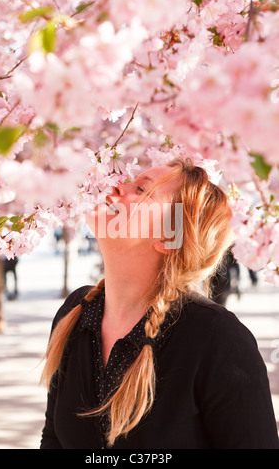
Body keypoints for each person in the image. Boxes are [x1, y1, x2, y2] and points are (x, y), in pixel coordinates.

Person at [40, 158, 279, 449]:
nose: (115, 185)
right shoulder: (75, 312)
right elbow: (52, 440)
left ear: (170, 236)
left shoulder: (217, 338)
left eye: (141, 189)